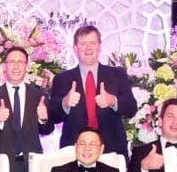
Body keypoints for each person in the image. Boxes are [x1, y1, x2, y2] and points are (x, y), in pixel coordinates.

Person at [47, 24, 136, 160]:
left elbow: (131, 108)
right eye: (83, 43)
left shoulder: (118, 74)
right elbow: (52, 116)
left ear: (99, 46)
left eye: (92, 43)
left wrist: (113, 101)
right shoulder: (62, 78)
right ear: (75, 48)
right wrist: (64, 103)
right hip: (73, 151)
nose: (88, 48)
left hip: (112, 150)